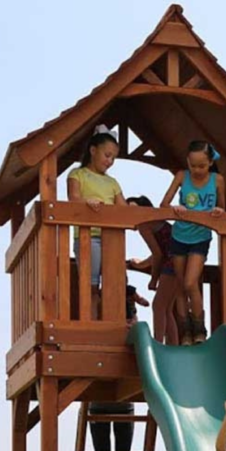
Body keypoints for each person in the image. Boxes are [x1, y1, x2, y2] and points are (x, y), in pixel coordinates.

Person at [86, 284, 149, 451]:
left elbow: (139, 330)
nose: (132, 318)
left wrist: (134, 320)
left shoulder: (131, 331)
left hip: (123, 403)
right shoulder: (100, 318)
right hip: (100, 400)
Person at [160, 140, 225, 345]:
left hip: (201, 236)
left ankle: (199, 329)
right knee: (180, 285)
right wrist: (175, 209)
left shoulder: (217, 180)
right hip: (180, 236)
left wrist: (219, 211)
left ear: (210, 163)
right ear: (187, 162)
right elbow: (164, 204)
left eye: (202, 166)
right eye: (193, 165)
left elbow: (223, 207)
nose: (197, 170)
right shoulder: (181, 176)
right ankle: (185, 331)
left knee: (190, 282)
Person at [67, 125, 127, 320]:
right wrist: (87, 202)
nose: (110, 161)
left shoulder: (113, 183)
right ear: (93, 150)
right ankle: (91, 322)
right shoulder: (78, 174)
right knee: (91, 285)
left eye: (113, 158)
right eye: (107, 155)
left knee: (113, 283)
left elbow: (123, 208)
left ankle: (111, 322)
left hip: (111, 238)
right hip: (88, 237)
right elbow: (73, 199)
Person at [127, 195, 179, 345]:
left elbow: (158, 254)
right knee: (167, 308)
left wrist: (154, 279)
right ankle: (173, 345)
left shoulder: (144, 225)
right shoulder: (158, 222)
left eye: (135, 210)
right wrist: (140, 264)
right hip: (184, 261)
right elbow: (161, 250)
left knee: (158, 305)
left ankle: (157, 344)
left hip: (172, 263)